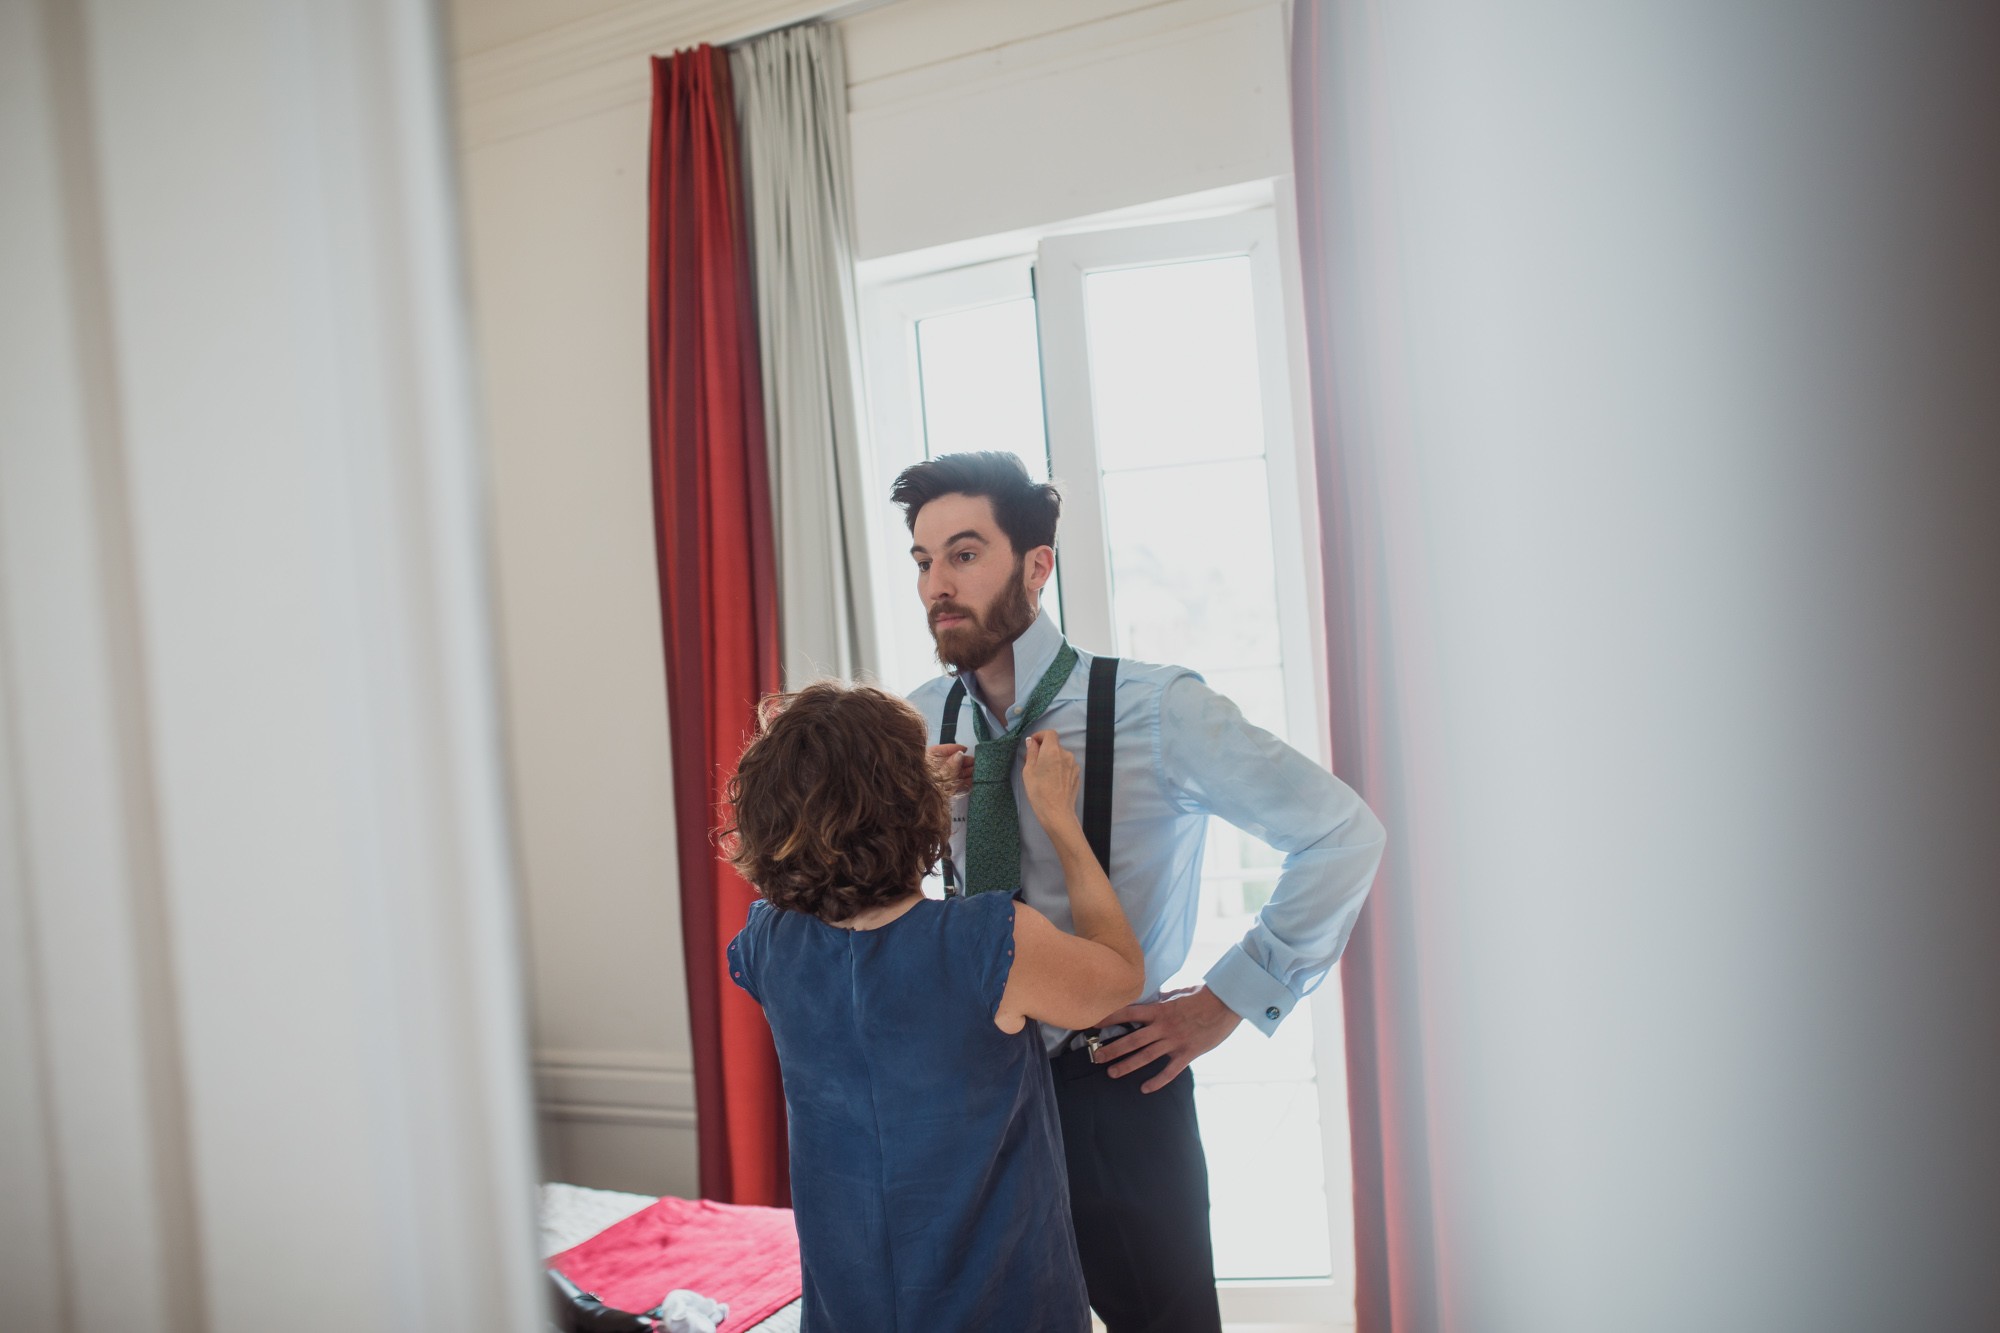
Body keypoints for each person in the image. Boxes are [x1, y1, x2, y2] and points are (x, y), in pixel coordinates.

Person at [894, 451, 1388, 1332]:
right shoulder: (914, 721)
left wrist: (1229, 1000)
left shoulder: (1157, 709)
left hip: (1116, 1091)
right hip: (968, 1093)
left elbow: (1341, 833)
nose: (938, 583)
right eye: (924, 561)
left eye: (964, 554)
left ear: (1037, 566)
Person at [722, 682, 1147, 1332]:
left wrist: (893, 799)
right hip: (997, 1308)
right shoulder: (986, 942)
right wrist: (1060, 820)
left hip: (849, 1309)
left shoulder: (768, 944)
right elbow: (1120, 975)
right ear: (908, 799)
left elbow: (848, 909)